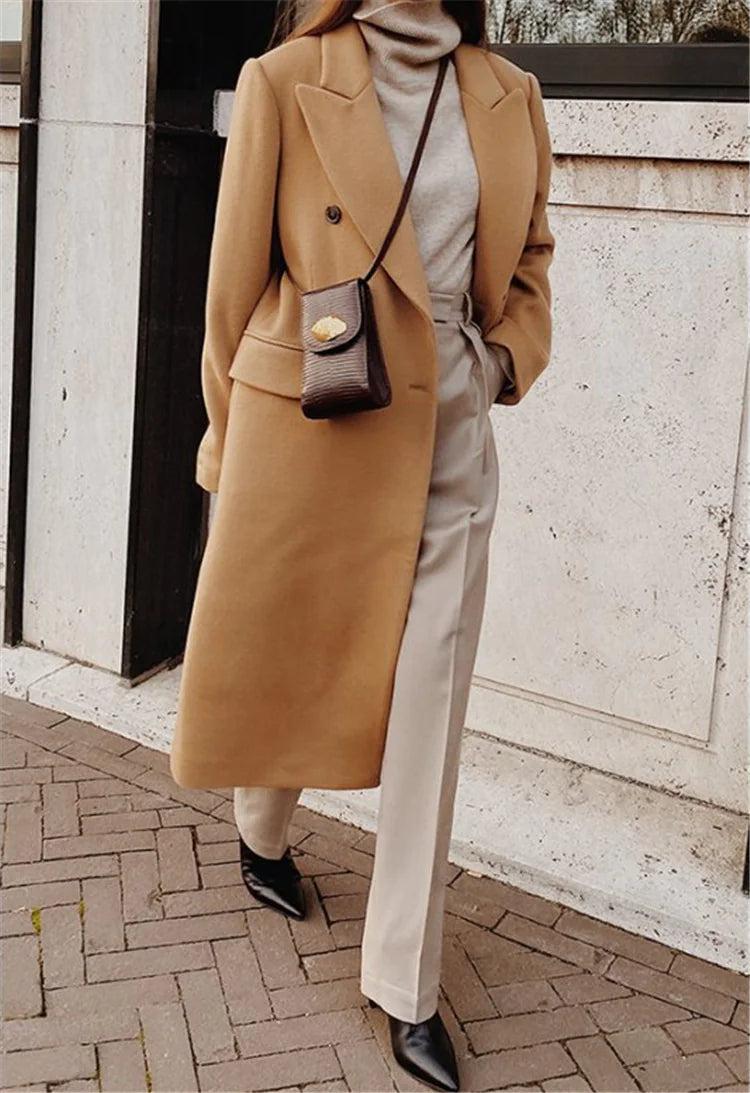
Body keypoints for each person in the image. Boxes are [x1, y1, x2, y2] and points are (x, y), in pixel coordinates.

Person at [170, 1, 555, 1088]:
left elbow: (531, 255)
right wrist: (228, 447)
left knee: (431, 694)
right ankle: (262, 827)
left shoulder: (509, 93)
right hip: (322, 414)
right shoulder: (286, 78)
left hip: (451, 433)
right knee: (302, 648)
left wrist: (503, 358)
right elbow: (232, 289)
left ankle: (405, 981)